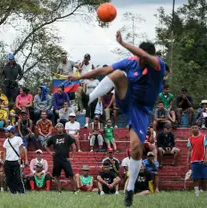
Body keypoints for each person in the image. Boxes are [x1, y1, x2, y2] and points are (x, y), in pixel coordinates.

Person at [69, 31, 166, 206]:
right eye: (137, 57)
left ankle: (129, 190)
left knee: (136, 149)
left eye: (141, 57)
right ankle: (87, 102)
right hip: (127, 100)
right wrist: (80, 76)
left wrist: (123, 43)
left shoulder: (158, 65)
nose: (139, 60)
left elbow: (144, 55)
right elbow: (105, 70)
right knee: (118, 75)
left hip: (142, 111)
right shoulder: (131, 61)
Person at [45, 123, 77, 193]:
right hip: (56, 159)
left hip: (65, 159)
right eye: (58, 127)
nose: (59, 128)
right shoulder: (53, 137)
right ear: (56, 129)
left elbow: (74, 146)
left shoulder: (67, 137)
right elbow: (46, 145)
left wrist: (72, 157)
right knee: (56, 176)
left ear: (63, 128)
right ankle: (59, 191)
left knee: (71, 175)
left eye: (61, 127)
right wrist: (50, 152)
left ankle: (75, 191)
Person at [187, 124, 207, 197]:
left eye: (196, 128)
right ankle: (197, 193)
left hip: (202, 160)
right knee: (195, 178)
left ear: (198, 128)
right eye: (193, 128)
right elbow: (189, 150)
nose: (194, 129)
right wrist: (188, 161)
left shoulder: (203, 137)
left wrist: (206, 158)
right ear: (191, 129)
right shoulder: (190, 139)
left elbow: (206, 148)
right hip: (194, 161)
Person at [2, 125, 25, 194]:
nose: (5, 133)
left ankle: (21, 191)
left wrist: (20, 158)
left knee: (17, 177)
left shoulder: (18, 139)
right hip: (7, 161)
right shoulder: (6, 141)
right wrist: (4, 160)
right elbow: (4, 151)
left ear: (11, 132)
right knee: (9, 178)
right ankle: (13, 192)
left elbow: (21, 149)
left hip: (16, 160)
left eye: (7, 132)